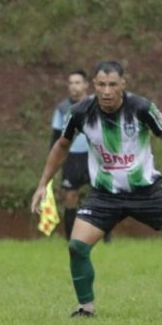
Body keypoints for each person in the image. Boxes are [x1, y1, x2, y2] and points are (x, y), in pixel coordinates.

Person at [31, 60, 162, 317]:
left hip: (148, 192)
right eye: (101, 85)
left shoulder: (142, 108)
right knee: (77, 247)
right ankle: (86, 307)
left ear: (123, 84)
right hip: (105, 196)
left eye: (112, 85)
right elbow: (61, 146)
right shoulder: (80, 112)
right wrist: (43, 184)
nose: (107, 91)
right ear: (93, 85)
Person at [50, 70, 93, 241]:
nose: (74, 86)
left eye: (77, 82)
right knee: (70, 197)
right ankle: (70, 238)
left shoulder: (95, 105)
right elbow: (55, 138)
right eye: (71, 83)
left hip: (93, 156)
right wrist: (52, 163)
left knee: (101, 195)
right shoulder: (62, 109)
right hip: (71, 158)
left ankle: (105, 238)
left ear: (85, 85)